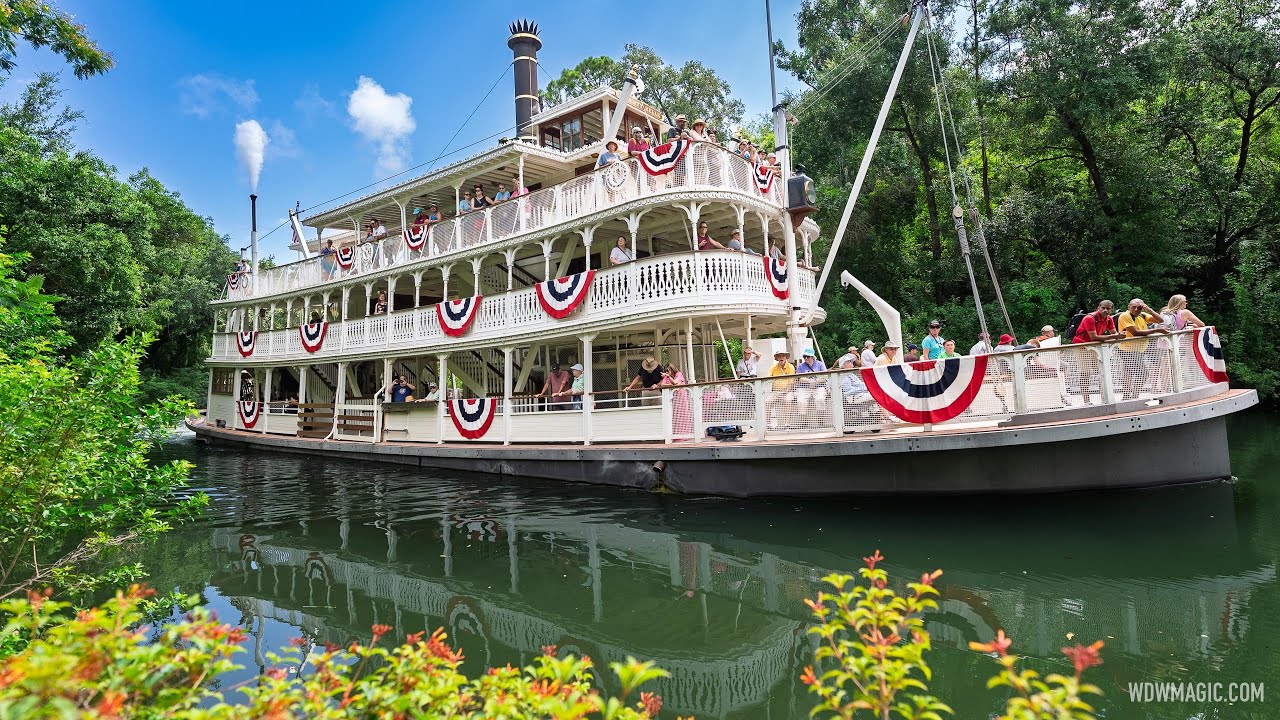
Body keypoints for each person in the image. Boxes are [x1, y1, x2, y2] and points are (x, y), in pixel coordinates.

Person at [1116, 298, 1166, 399]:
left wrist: (1149, 310)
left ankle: (1131, 395)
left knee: (1131, 373)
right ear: (1128, 307)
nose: (1136, 309)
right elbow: (1135, 332)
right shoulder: (1125, 315)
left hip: (1138, 349)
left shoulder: (1142, 315)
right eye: (1133, 307)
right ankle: (1130, 395)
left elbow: (1160, 320)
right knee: (1141, 373)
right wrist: (1157, 330)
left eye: (1138, 308)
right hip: (1127, 349)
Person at [766, 350, 795, 430]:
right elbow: (768, 378)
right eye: (779, 356)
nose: (781, 358)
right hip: (775, 391)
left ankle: (787, 424)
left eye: (783, 356)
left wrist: (785, 392)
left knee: (788, 401)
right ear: (777, 358)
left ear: (786, 357)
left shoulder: (790, 367)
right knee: (767, 402)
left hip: (787, 391)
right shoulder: (773, 367)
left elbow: (791, 383)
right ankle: (768, 424)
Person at [661, 363, 691, 436]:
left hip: (681, 398)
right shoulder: (667, 376)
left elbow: (676, 383)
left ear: (672, 369)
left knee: (682, 416)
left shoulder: (679, 374)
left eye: (668, 370)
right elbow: (662, 384)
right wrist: (670, 384)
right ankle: (675, 435)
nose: (667, 372)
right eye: (666, 371)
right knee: (674, 416)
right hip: (673, 399)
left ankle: (684, 435)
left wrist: (669, 378)